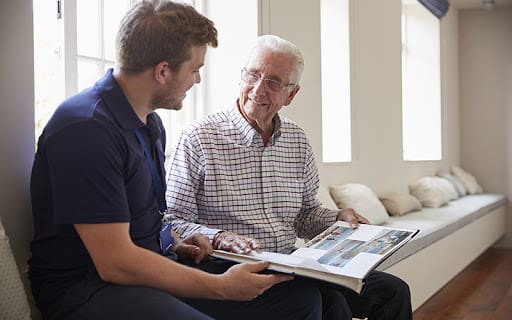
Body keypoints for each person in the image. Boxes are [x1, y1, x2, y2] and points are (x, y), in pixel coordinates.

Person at [28, 2, 325, 320]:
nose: (197, 80)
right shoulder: (86, 128)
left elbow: (150, 220)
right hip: (89, 288)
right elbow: (114, 261)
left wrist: (175, 242)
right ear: (163, 70)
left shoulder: (149, 125)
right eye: (195, 69)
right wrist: (221, 286)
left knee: (300, 300)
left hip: (145, 270)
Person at [166, 34, 413, 320]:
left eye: (273, 82)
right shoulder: (198, 137)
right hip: (226, 267)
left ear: (291, 94)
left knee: (394, 292)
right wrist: (220, 237)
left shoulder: (296, 140)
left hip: (292, 263)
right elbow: (172, 220)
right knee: (328, 303)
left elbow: (305, 216)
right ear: (241, 76)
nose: (259, 89)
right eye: (253, 75)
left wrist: (338, 219)